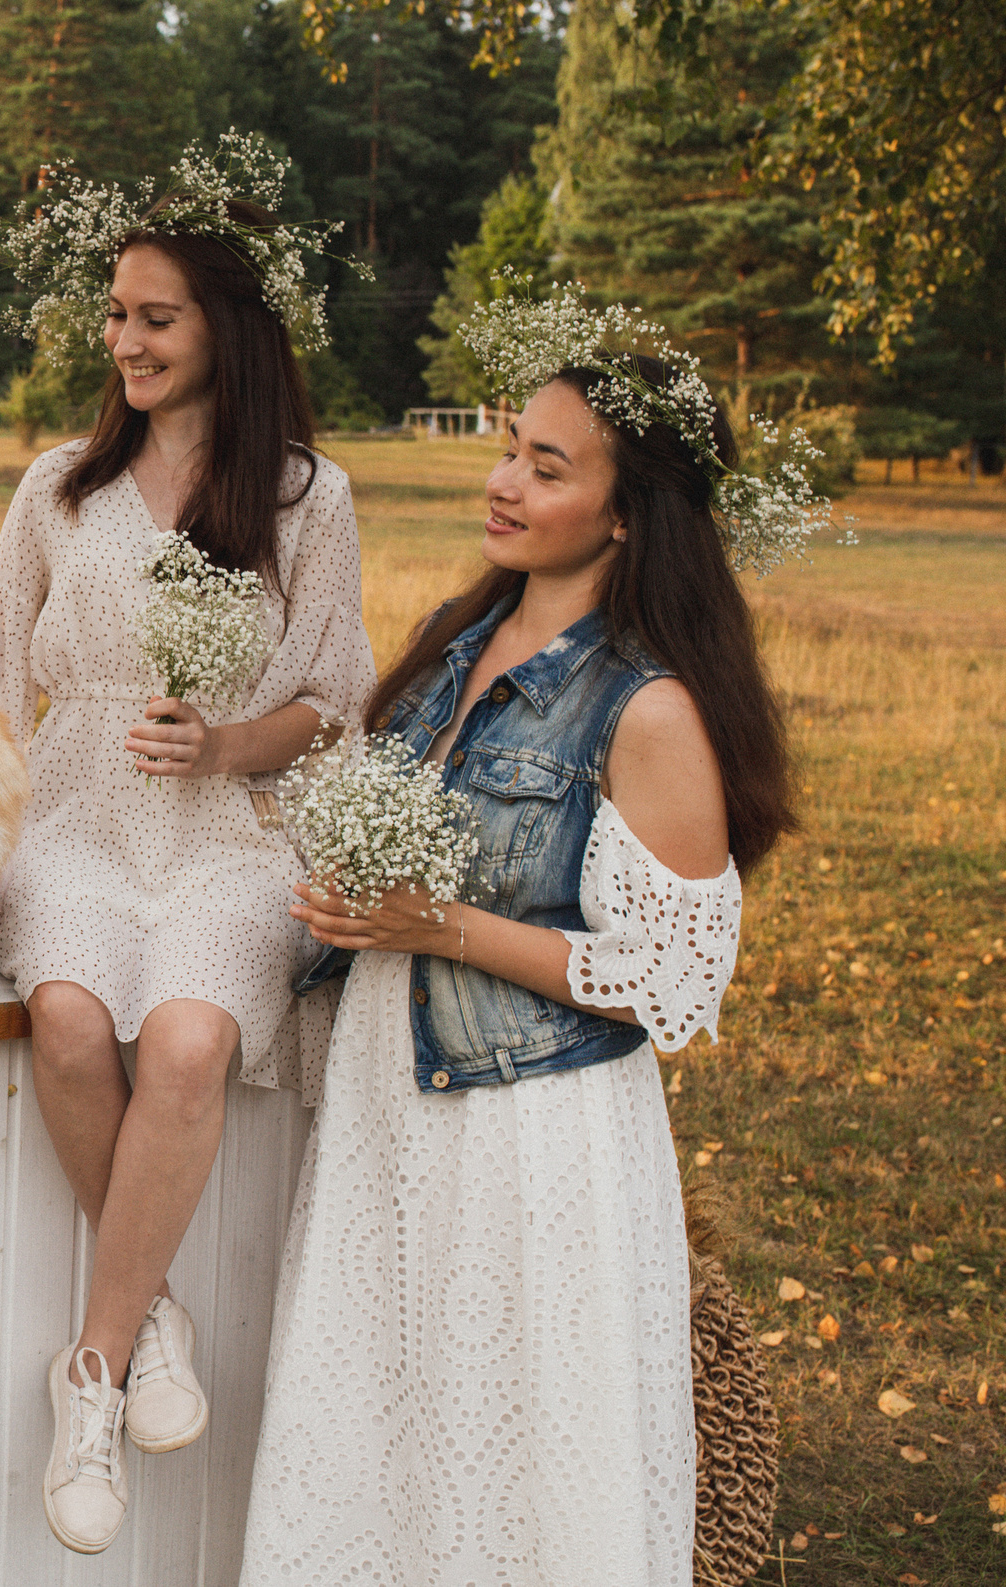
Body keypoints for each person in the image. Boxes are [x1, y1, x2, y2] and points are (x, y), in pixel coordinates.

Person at [242, 300, 811, 1584]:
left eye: (546, 467)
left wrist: (433, 923)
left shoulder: (645, 704)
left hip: (526, 1142)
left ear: (624, 515)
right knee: (376, 1453)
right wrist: (348, 895)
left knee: (511, 1479)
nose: (503, 481)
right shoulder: (455, 642)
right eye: (508, 447)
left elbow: (667, 981)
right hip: (389, 1105)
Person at [0, 158, 375, 1555]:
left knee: (188, 1042)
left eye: (158, 319)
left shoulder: (312, 499)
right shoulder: (58, 491)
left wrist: (230, 744)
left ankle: (90, 1366)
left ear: (228, 332)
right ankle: (158, 1319)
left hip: (232, 837)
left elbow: (333, 700)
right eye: (119, 317)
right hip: (76, 820)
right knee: (70, 1017)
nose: (127, 344)